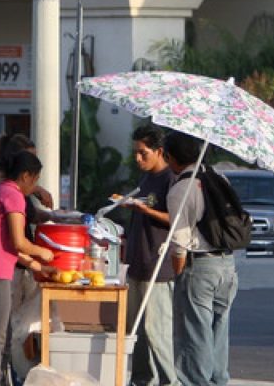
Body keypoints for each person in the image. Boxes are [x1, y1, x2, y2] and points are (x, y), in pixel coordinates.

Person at [0, 150, 55, 386]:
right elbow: (20, 242)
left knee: (3, 335)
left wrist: (36, 266)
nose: (35, 186)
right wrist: (43, 253)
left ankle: (1, 380)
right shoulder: (13, 196)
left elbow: (9, 245)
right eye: (35, 180)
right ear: (26, 176)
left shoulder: (2, 190)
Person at [164, 130, 238, 386]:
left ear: (170, 157)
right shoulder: (219, 178)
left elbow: (180, 246)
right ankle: (218, 382)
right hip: (227, 266)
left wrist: (179, 275)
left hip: (199, 266)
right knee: (218, 334)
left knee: (193, 337)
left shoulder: (180, 191)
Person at [116, 124, 177, 386]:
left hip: (158, 266)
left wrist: (144, 210)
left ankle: (169, 381)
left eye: (143, 153)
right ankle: (142, 380)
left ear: (159, 151)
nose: (138, 158)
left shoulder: (170, 179)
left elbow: (175, 218)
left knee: (156, 332)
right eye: (135, 153)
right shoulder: (146, 179)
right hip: (137, 262)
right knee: (136, 330)